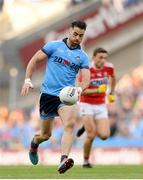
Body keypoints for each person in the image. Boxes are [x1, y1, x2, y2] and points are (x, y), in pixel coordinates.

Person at [21, 20, 90, 173]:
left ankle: (63, 159)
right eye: (75, 34)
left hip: (67, 97)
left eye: (81, 36)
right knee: (45, 135)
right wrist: (27, 80)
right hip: (48, 95)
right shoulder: (54, 46)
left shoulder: (82, 56)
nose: (78, 38)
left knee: (70, 124)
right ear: (69, 31)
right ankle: (34, 143)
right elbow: (34, 60)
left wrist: (79, 89)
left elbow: (86, 79)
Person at [77, 47, 116, 168]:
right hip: (86, 103)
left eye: (105, 58)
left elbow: (113, 77)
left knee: (104, 136)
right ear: (94, 57)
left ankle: (87, 123)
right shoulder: (86, 69)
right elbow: (80, 91)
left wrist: (112, 93)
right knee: (91, 134)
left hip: (100, 104)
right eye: (100, 57)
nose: (103, 60)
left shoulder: (109, 67)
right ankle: (86, 161)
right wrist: (97, 89)